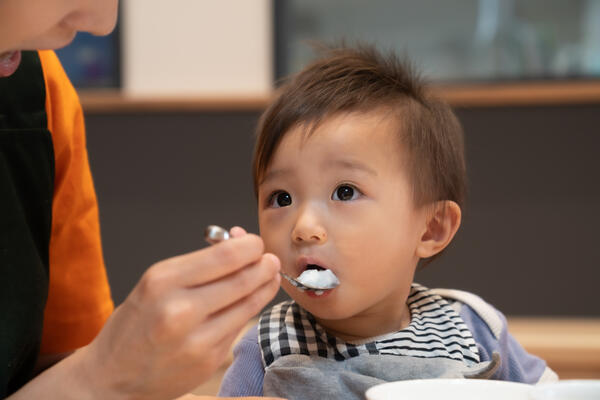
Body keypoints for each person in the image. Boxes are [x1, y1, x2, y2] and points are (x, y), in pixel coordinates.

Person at [217, 45, 559, 399]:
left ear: (431, 228)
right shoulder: (265, 347)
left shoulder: (473, 328)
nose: (303, 227)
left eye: (345, 192)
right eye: (281, 198)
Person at [0, 1, 282, 399]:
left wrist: (115, 370)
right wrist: (101, 376)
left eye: (345, 193)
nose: (102, 23)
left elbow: (62, 353)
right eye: (282, 197)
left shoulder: (40, 92)